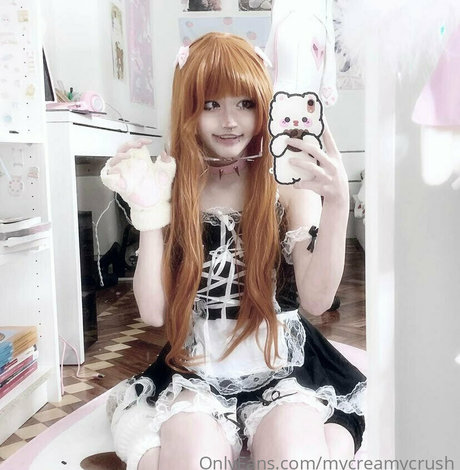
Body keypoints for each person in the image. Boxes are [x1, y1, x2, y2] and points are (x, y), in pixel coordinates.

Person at [100, 32, 366, 470]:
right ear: (188, 108)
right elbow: (153, 313)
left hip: (283, 362)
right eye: (211, 104)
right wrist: (148, 211)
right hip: (198, 366)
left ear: (263, 105)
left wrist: (337, 203)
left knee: (294, 460)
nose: (229, 121)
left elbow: (317, 300)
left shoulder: (285, 183)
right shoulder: (173, 182)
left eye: (245, 103)